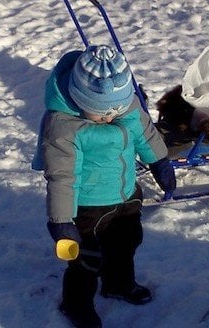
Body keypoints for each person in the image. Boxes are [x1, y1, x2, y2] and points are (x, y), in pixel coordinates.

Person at [36, 45, 176, 328]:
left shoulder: (124, 104)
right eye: (101, 114)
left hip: (125, 195)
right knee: (86, 259)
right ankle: (75, 304)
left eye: (117, 109)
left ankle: (118, 284)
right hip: (86, 205)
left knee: (126, 242)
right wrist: (61, 221)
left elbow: (144, 132)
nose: (110, 117)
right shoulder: (63, 127)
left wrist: (160, 161)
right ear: (79, 98)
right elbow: (61, 177)